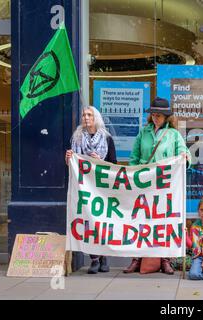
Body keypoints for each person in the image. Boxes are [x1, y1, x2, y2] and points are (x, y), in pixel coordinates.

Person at [123, 97, 191, 275]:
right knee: (140, 221)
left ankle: (165, 259)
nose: (155, 118)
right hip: (144, 184)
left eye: (159, 115)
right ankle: (137, 259)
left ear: (166, 117)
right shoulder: (143, 133)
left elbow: (184, 152)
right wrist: (133, 176)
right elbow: (134, 158)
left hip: (164, 185)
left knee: (163, 221)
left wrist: (184, 157)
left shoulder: (174, 135)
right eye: (153, 115)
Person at [65, 106, 117, 274]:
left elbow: (113, 165)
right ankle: (94, 258)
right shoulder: (76, 139)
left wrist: (99, 162)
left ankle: (104, 256)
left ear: (96, 118)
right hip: (85, 188)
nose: (85, 117)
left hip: (102, 189)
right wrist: (68, 159)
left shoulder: (107, 138)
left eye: (89, 114)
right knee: (88, 221)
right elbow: (73, 165)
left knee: (103, 222)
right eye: (83, 114)